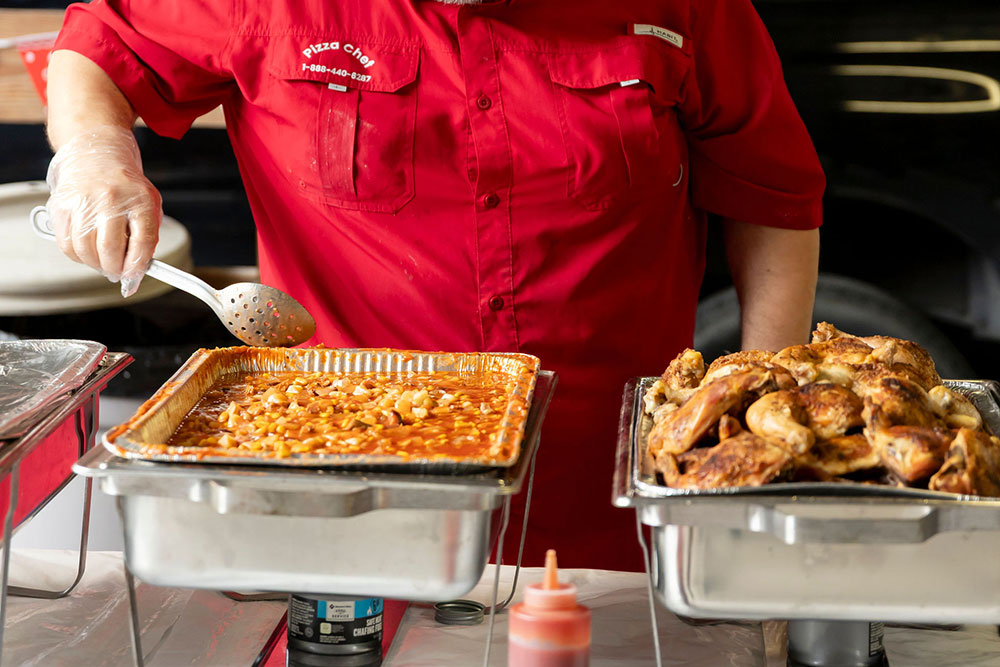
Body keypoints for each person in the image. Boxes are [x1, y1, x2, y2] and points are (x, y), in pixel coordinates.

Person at [45, 0, 822, 571]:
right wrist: (94, 150)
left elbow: (774, 198)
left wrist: (756, 436)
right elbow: (100, 45)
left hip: (615, 501)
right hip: (344, 498)